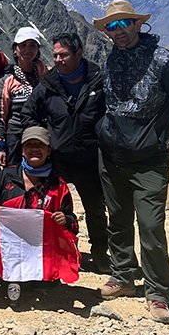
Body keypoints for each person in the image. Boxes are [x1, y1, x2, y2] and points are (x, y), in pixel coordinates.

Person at [92, 0, 169, 324]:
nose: (118, 31)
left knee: (151, 225)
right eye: (112, 26)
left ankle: (157, 291)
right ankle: (123, 276)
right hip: (112, 157)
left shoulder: (165, 61)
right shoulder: (111, 59)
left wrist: (160, 132)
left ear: (138, 24)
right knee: (119, 219)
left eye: (124, 23)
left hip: (150, 160)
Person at [19, 33, 110, 274]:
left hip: (89, 159)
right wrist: (44, 138)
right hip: (57, 160)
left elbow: (113, 112)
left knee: (95, 208)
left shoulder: (98, 81)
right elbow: (28, 114)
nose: (58, 59)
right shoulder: (48, 85)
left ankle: (100, 252)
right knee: (47, 205)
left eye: (64, 55)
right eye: (55, 55)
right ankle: (50, 249)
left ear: (79, 54)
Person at [0, 127, 79, 301]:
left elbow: (74, 226)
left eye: (40, 145)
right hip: (7, 246)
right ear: (22, 150)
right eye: (29, 145)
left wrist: (64, 219)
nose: (35, 149)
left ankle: (38, 278)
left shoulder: (58, 185)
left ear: (49, 151)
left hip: (39, 250)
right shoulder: (5, 176)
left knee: (46, 285)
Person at [0, 27, 49, 167]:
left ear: (38, 50)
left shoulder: (44, 73)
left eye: (32, 45)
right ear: (15, 50)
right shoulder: (7, 80)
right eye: (23, 45)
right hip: (15, 136)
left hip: (39, 133)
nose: (27, 50)